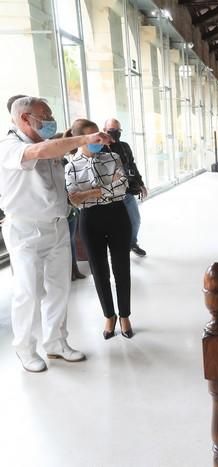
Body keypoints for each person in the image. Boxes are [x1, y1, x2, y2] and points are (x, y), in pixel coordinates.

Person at [0, 96, 110, 372]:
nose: (50, 121)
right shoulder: (11, 146)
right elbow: (40, 153)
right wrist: (83, 139)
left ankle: (56, 342)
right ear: (25, 118)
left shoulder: (46, 146)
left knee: (60, 288)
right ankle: (25, 348)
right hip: (25, 229)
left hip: (58, 225)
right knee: (28, 291)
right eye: (45, 116)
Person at [64, 119, 134, 340]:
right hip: (90, 220)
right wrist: (104, 189)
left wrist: (91, 193)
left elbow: (123, 186)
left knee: (121, 267)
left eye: (100, 134)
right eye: (94, 135)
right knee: (99, 270)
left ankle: (124, 315)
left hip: (117, 215)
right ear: (81, 139)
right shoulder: (71, 166)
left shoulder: (112, 157)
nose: (100, 139)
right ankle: (109, 315)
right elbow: (74, 199)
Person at [103, 119, 148, 256]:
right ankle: (118, 250)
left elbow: (132, 166)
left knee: (135, 220)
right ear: (104, 131)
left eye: (118, 131)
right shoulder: (98, 148)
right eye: (112, 131)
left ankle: (132, 243)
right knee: (115, 226)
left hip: (127, 191)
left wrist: (141, 184)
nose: (115, 134)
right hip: (109, 194)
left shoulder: (124, 147)